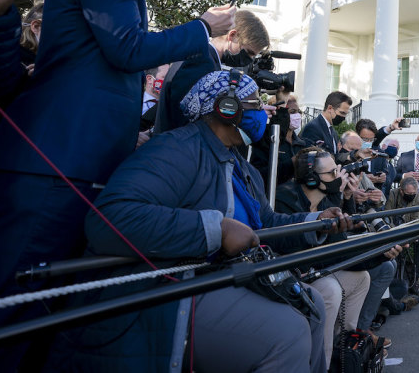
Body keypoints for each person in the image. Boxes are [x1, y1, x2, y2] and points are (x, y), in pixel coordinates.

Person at [0, 0, 237, 370]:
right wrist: (201, 27)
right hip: (57, 161)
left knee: (44, 310)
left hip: (74, 161)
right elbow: (126, 48)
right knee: (14, 306)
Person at [47, 70, 350, 372]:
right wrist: (214, 230)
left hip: (227, 277)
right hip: (173, 287)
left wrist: (316, 220)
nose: (263, 112)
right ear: (226, 108)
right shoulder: (176, 149)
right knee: (287, 332)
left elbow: (265, 224)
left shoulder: (241, 166)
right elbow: (111, 218)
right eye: (254, 104)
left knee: (312, 305)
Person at [275, 147, 399, 365]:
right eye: (332, 173)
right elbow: (330, 256)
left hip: (315, 270)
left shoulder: (326, 199)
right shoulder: (285, 199)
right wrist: (378, 254)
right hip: (293, 276)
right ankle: (321, 362)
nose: (339, 176)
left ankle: (345, 347)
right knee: (331, 289)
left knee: (361, 278)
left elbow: (338, 245)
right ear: (312, 179)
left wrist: (341, 197)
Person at [156, 8, 270, 132]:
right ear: (232, 35)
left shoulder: (200, 56)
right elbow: (188, 116)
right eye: (248, 52)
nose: (250, 60)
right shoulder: (202, 63)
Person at [385, 177, 419, 297]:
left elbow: (416, 221)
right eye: (409, 194)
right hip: (393, 231)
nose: (412, 195)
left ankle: (418, 279)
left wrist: (408, 237)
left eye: (414, 193)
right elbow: (387, 216)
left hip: (410, 231)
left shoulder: (418, 198)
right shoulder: (393, 194)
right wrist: (395, 233)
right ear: (401, 191)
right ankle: (388, 282)